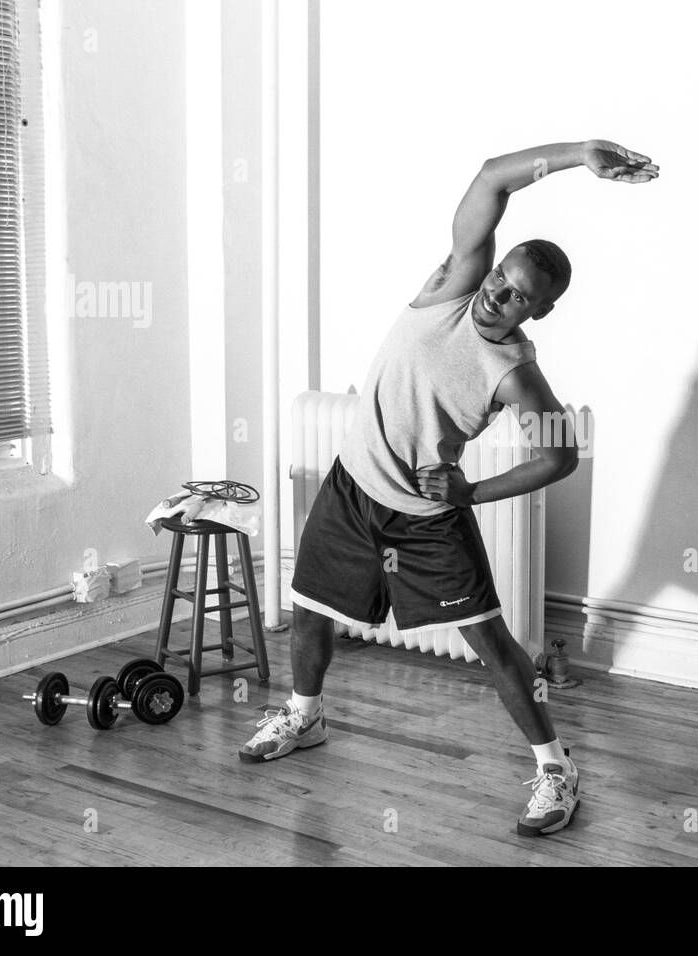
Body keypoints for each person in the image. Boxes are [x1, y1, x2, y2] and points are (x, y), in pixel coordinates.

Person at [240, 139, 658, 836]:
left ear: (539, 311)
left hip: (425, 520)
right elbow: (494, 176)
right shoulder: (453, 287)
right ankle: (305, 715)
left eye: (520, 295)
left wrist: (472, 493)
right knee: (310, 607)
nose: (500, 293)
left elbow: (560, 459)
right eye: (503, 277)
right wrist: (580, 156)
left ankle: (556, 769)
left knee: (492, 645)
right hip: (352, 488)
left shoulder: (514, 369)